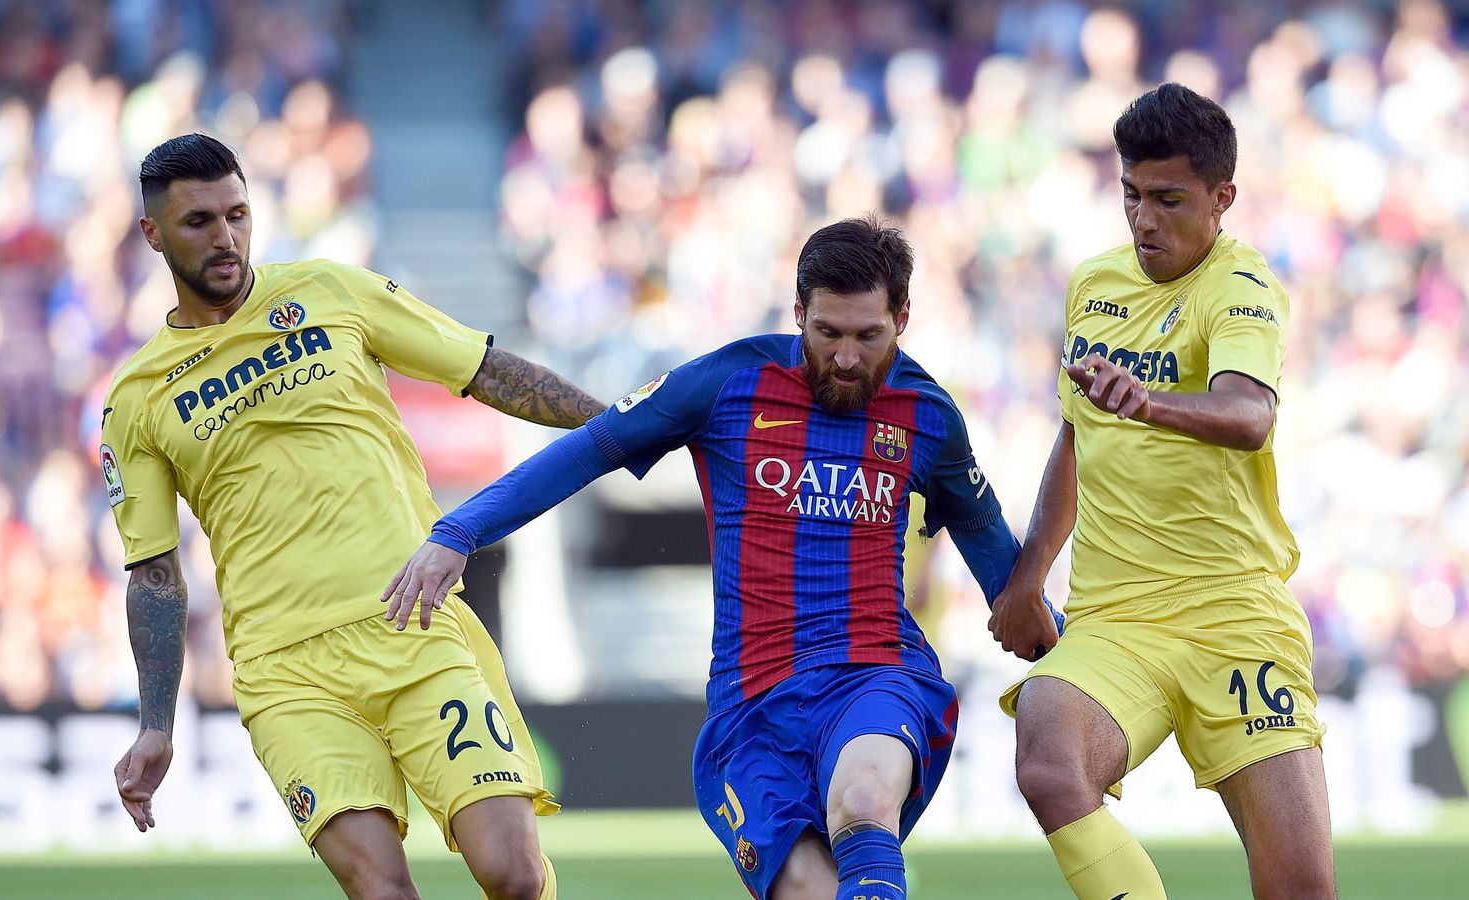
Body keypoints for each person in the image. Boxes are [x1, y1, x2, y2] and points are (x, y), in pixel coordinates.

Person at [385, 216, 1064, 900]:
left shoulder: (927, 415)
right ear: (798, 312)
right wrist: (460, 531)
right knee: (811, 892)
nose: (848, 358)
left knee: (862, 802)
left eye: (869, 335)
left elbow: (996, 557)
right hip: (751, 709)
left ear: (904, 317)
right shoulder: (726, 383)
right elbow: (590, 449)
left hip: (874, 673)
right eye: (828, 333)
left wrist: (1061, 638)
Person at [105, 133, 603, 900]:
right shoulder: (136, 398)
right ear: (154, 234)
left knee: (513, 872)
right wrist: (156, 722)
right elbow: (155, 573)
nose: (226, 236)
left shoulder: (331, 292)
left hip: (410, 622)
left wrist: (617, 424)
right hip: (286, 672)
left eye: (237, 213)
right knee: (383, 890)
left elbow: (484, 368)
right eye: (200, 221)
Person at [987, 83, 1336, 899]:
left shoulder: (1241, 289)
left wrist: (1150, 401)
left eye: (1168, 200)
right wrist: (1029, 576)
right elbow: (1076, 438)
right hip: (1117, 617)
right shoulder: (1092, 287)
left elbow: (1251, 415)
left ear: (1223, 199)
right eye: (1131, 195)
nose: (1144, 219)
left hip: (1233, 613)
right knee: (1046, 756)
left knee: (1301, 889)